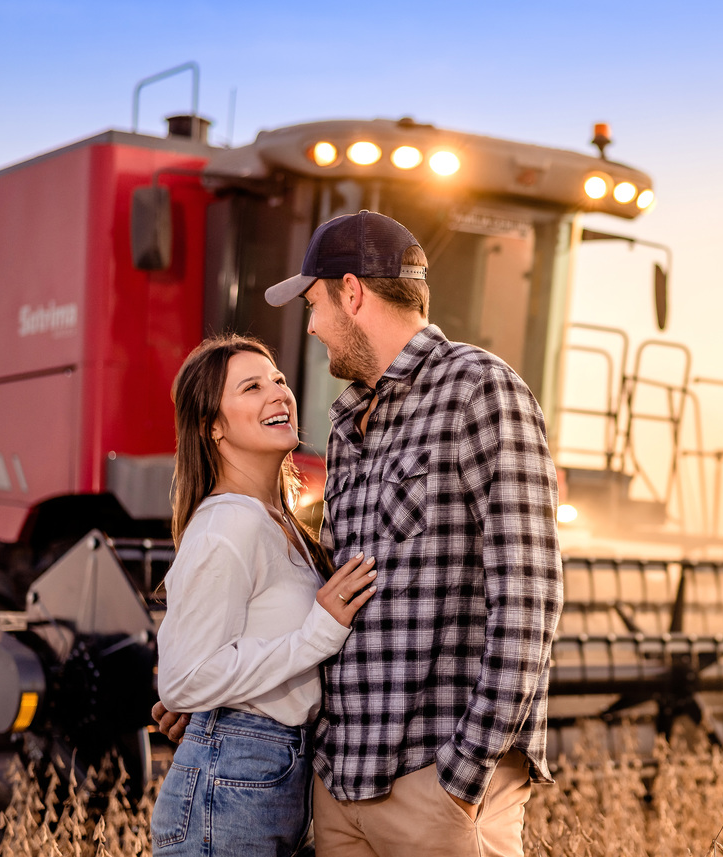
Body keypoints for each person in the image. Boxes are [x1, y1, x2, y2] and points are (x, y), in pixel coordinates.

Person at [265, 210, 564, 857]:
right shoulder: (346, 425)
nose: (311, 325)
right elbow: (332, 599)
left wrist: (464, 772)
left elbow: (530, 595)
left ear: (352, 292)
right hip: (341, 783)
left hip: (435, 788)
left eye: (314, 303)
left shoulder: (481, 390)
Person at [151, 334, 378, 857]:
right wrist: (316, 634)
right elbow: (185, 678)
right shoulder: (228, 522)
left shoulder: (280, 522)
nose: (278, 393)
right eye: (251, 387)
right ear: (213, 426)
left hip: (271, 771)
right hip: (233, 776)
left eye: (277, 379)